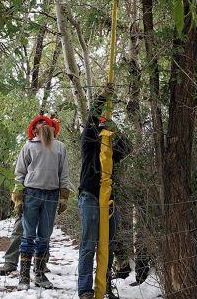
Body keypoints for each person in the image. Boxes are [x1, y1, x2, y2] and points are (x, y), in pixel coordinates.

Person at [78, 89, 130, 299]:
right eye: (101, 128)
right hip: (90, 196)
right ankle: (85, 290)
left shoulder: (111, 149)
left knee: (107, 246)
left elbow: (127, 147)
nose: (102, 131)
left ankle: (105, 286)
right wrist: (101, 99)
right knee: (89, 244)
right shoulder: (89, 144)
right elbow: (91, 120)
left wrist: (114, 127)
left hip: (109, 200)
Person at [12, 115, 70, 290]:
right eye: (40, 123)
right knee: (28, 236)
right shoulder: (28, 146)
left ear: (53, 128)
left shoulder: (60, 147)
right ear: (34, 129)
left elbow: (64, 174)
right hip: (31, 194)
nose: (44, 125)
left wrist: (64, 196)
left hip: (51, 196)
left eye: (47, 123)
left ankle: (39, 273)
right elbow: (19, 173)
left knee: (44, 236)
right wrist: (18, 197)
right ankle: (23, 276)